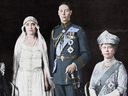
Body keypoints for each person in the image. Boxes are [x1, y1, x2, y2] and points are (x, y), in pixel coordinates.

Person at [50, 2, 90, 96]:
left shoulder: (78, 30)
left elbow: (86, 54)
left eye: (66, 10)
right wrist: (52, 76)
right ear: (58, 13)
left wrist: (75, 65)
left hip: (72, 75)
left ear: (70, 12)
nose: (63, 13)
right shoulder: (54, 32)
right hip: (58, 75)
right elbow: (52, 55)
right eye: (61, 11)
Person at [13, 16, 54, 96]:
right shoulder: (20, 42)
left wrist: (46, 80)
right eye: (27, 24)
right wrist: (14, 80)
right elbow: (15, 64)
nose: (30, 27)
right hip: (22, 77)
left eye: (33, 24)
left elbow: (45, 63)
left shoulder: (41, 42)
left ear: (36, 27)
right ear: (24, 27)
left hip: (37, 77)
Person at [89, 30, 127, 96]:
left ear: (114, 50)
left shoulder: (119, 66)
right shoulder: (97, 66)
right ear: (101, 50)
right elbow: (91, 87)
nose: (106, 50)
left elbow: (122, 89)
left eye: (109, 47)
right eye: (104, 47)